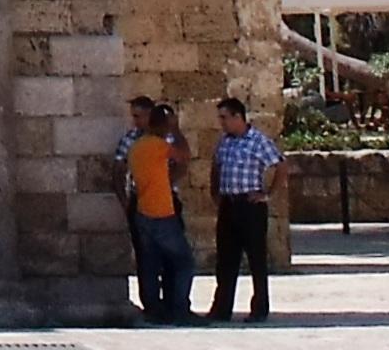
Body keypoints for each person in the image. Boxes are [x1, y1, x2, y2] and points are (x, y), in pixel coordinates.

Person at [209, 96, 285, 323]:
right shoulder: (225, 142)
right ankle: (222, 308)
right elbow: (217, 166)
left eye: (224, 117)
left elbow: (280, 165)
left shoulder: (258, 141)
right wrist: (215, 192)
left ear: (237, 117)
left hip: (250, 206)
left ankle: (259, 308)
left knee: (256, 259)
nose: (221, 122)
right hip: (229, 204)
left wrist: (267, 194)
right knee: (225, 260)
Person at [129, 103, 196, 322]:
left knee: (149, 263)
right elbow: (184, 155)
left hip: (142, 210)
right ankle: (179, 309)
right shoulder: (159, 146)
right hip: (161, 213)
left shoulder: (137, 146)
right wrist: (176, 131)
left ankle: (153, 310)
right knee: (184, 262)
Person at [110, 95, 155, 305]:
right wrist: (124, 200)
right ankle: (151, 303)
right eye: (134, 116)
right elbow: (118, 170)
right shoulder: (129, 139)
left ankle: (175, 302)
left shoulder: (167, 138)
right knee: (144, 254)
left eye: (139, 116)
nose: (135, 121)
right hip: (139, 201)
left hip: (165, 200)